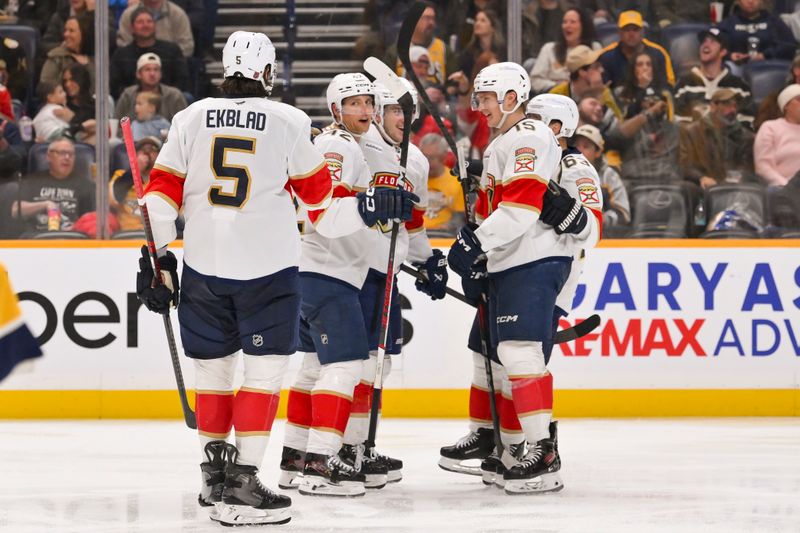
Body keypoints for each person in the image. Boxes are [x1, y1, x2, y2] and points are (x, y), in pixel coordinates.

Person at [135, 31, 333, 527]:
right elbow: (319, 198)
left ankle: (213, 478)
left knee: (214, 376)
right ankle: (243, 482)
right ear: (268, 72)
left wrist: (158, 259)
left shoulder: (189, 117)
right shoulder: (290, 120)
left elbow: (158, 200)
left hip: (204, 267)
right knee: (262, 377)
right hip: (268, 269)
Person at [445, 62, 591, 494]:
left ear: (512, 98)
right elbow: (499, 206)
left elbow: (524, 207)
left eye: (487, 98)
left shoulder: (528, 135)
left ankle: (542, 452)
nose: (480, 107)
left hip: (533, 259)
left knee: (520, 353)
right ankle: (509, 448)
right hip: (510, 260)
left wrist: (478, 242)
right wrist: (478, 234)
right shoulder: (503, 142)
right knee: (497, 355)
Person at [278, 73, 418, 497]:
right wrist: (370, 206)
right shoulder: (337, 145)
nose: (363, 111)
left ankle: (294, 459)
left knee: (312, 368)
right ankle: (322, 464)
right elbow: (325, 208)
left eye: (368, 103)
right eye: (353, 103)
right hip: (329, 272)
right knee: (345, 366)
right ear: (336, 109)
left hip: (316, 271)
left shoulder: (342, 144)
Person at [343, 79, 447, 487]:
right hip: (352, 269)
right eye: (395, 110)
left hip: (387, 272)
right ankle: (341, 449)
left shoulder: (417, 162)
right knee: (352, 364)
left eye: (410, 111)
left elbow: (414, 225)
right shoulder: (359, 144)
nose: (404, 119)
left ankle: (361, 447)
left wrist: (427, 262)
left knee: (378, 364)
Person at [673, 27, 754, 127]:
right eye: (704, 41)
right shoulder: (684, 85)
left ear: (723, 52)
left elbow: (746, 123)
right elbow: (679, 122)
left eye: (713, 42)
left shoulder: (740, 87)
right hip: (695, 140)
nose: (706, 44)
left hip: (728, 141)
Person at [13, 138, 94, 234]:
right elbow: (15, 211)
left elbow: (94, 218)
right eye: (62, 153)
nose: (67, 157)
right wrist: (45, 204)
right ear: (49, 156)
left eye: (71, 154)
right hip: (36, 239)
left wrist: (78, 227)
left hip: (72, 240)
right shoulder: (32, 181)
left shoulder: (85, 185)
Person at [679, 88, 755, 189]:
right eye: (727, 105)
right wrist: (701, 177)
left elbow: (746, 166)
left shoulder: (745, 136)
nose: (733, 110)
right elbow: (684, 164)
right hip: (701, 186)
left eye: (735, 105)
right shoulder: (691, 132)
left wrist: (738, 177)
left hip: (735, 188)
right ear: (713, 106)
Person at [110, 6, 189, 98]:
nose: (145, 25)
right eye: (140, 22)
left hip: (168, 100)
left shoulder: (172, 50)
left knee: (186, 96)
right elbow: (115, 86)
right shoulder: (121, 55)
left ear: (155, 25)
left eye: (149, 21)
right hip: (132, 102)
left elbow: (181, 81)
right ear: (132, 27)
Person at [531, 8, 600, 94]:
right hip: (554, 96)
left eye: (572, 22)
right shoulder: (549, 49)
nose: (567, 26)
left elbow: (600, 76)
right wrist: (560, 86)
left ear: (583, 26)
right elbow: (535, 81)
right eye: (565, 22)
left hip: (586, 95)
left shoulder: (595, 47)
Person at [599, 10, 675, 88]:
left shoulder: (658, 53)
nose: (631, 34)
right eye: (627, 30)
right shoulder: (606, 57)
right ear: (619, 33)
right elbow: (603, 89)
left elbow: (669, 85)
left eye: (635, 30)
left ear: (642, 32)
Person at [573, 124, 630, 229]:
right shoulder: (560, 170)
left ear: (598, 152)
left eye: (586, 146)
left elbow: (623, 213)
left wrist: (604, 219)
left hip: (601, 237)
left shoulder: (609, 175)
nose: (579, 151)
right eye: (576, 145)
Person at [386, 3, 457, 85]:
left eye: (433, 18)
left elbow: (453, 85)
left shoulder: (444, 49)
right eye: (427, 18)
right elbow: (386, 84)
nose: (431, 23)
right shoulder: (397, 50)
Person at [550, 45, 623, 120]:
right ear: (582, 72)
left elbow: (619, 128)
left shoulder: (603, 92)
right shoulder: (556, 96)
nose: (602, 70)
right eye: (596, 67)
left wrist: (600, 101)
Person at [109, 136, 161, 232]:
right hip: (126, 236)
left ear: (159, 156)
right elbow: (113, 200)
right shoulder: (121, 175)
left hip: (156, 236)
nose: (146, 152)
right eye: (141, 149)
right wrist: (134, 171)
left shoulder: (164, 181)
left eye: (151, 149)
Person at [115, 53, 188, 122]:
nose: (152, 74)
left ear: (161, 74)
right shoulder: (128, 94)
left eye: (156, 70)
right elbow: (118, 124)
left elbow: (184, 125)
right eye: (147, 69)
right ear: (138, 74)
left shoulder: (174, 95)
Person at [718, 0, 795, 65]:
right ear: (738, 1)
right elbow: (713, 47)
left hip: (768, 68)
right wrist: (730, 56)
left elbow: (789, 46)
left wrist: (765, 55)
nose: (751, 1)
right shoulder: (727, 24)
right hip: (735, 69)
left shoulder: (774, 22)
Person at [419, 133, 465, 236]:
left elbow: (461, 218)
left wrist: (449, 226)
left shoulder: (457, 182)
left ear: (443, 157)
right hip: (415, 235)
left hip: (444, 235)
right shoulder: (413, 179)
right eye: (423, 156)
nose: (426, 162)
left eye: (431, 158)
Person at [754, 84, 800, 187]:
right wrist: (787, 186)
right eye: (799, 100)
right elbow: (763, 167)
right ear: (786, 105)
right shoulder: (770, 128)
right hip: (782, 189)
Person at [117, 0, 195, 57]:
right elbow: (123, 44)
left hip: (169, 68)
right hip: (135, 67)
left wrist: (162, 60)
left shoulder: (178, 14)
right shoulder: (128, 15)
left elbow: (187, 46)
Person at [614, 50, 674, 119]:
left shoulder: (664, 90)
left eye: (648, 65)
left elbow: (666, 115)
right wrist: (642, 87)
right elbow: (627, 116)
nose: (645, 68)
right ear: (632, 69)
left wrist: (648, 88)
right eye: (639, 65)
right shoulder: (621, 92)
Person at [40, 14, 94, 89]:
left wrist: (88, 65)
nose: (66, 34)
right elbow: (46, 86)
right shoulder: (56, 56)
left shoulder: (96, 58)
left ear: (83, 33)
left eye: (71, 31)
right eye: (65, 30)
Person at [456, 9, 505, 84]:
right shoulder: (468, 52)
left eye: (483, 21)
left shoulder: (502, 50)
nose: (477, 23)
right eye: (476, 20)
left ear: (493, 27)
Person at [61, 64, 97, 143]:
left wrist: (74, 120)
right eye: (65, 81)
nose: (67, 84)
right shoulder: (62, 105)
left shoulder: (95, 106)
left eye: (72, 80)